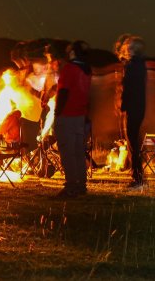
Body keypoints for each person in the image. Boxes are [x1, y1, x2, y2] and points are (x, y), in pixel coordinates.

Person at [53, 40, 92, 198]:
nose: (67, 52)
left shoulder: (69, 68)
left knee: (67, 152)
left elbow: (63, 92)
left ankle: (70, 187)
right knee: (78, 151)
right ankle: (81, 185)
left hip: (67, 115)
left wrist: (57, 113)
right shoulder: (87, 70)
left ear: (73, 52)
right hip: (80, 115)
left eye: (69, 50)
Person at [117, 34, 148, 190]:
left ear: (132, 49)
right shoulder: (140, 64)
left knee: (133, 143)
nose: (125, 50)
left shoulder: (131, 66)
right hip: (139, 107)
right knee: (134, 142)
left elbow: (128, 89)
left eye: (128, 47)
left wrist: (122, 107)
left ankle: (138, 178)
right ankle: (138, 176)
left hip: (133, 108)